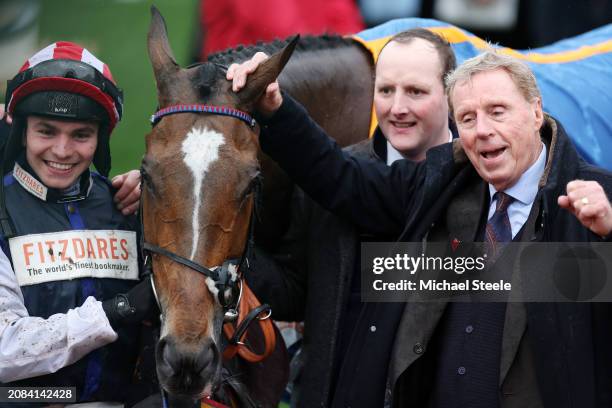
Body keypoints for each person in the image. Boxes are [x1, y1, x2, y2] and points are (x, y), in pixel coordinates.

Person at [229, 49, 612, 406]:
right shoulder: (442, 183)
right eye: (467, 118)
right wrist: (275, 110)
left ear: (535, 111)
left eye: (498, 112)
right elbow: (340, 177)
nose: (482, 130)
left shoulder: (594, 199)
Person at [245, 29, 457, 407]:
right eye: (386, 90)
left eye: (416, 92)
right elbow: (297, 292)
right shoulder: (332, 176)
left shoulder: (481, 183)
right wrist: (214, 237)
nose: (397, 107)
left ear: (451, 95)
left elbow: (573, 280)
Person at [0, 41, 158, 405]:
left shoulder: (130, 205)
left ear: (101, 138)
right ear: (21, 129)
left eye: (81, 135)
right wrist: (117, 310)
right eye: (46, 131)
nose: (61, 150)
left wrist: (161, 194)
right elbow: (7, 350)